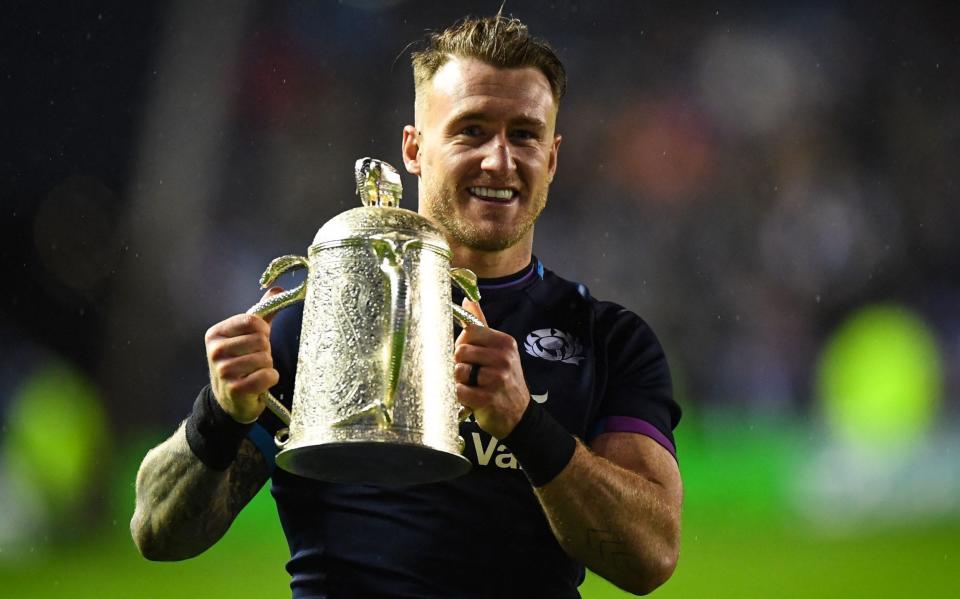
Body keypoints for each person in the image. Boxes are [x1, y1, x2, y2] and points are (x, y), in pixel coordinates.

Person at [131, 14, 682, 598]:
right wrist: (218, 415)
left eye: (525, 134)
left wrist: (526, 426)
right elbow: (158, 532)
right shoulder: (322, 314)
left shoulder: (608, 340)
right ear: (414, 149)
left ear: (552, 158)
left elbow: (649, 558)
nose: (499, 160)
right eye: (471, 130)